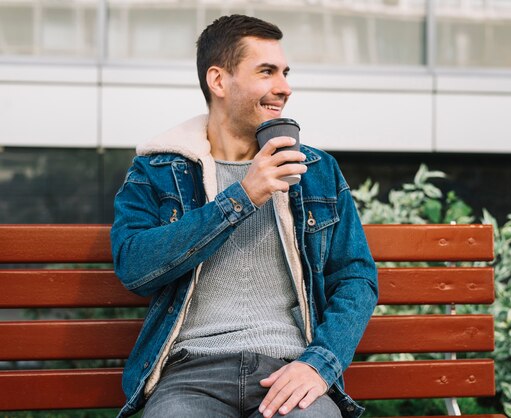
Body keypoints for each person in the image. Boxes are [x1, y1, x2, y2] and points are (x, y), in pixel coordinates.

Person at [110, 14, 378, 418]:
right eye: (267, 72)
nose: (284, 87)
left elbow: (356, 278)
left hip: (290, 369)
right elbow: (134, 266)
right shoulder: (157, 170)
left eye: (285, 73)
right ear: (218, 81)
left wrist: (318, 365)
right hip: (188, 376)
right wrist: (242, 198)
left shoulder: (316, 171)